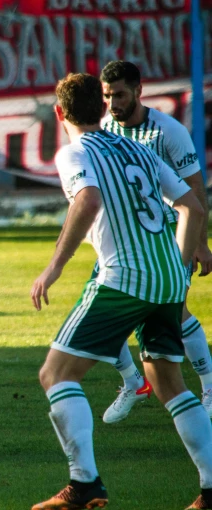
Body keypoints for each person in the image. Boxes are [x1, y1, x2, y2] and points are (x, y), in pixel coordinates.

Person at [30, 72, 211, 510]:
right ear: (101, 106)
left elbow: (87, 200)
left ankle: (84, 482)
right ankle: (211, 486)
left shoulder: (74, 152)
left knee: (55, 375)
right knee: (168, 382)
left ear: (60, 113)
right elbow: (193, 205)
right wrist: (179, 263)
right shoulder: (138, 148)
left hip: (124, 279)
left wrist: (53, 267)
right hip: (167, 278)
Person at [98, 60, 212, 423]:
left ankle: (209, 384)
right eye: (107, 96)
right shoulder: (105, 127)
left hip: (168, 236)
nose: (113, 103)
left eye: (119, 94)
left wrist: (200, 243)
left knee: (172, 312)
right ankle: (133, 382)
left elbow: (195, 189)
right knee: (104, 311)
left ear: (138, 91)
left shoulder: (168, 131)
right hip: (126, 240)